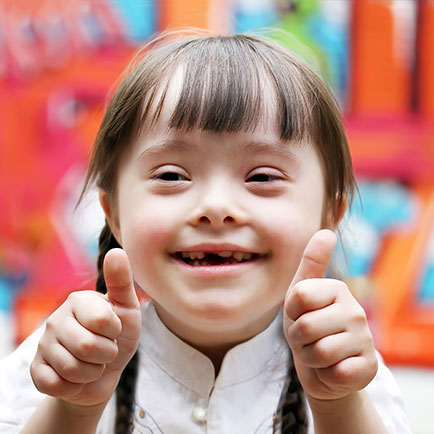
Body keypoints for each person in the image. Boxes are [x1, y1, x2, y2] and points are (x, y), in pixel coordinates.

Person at [0, 31, 411, 434]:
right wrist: (72, 409)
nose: (216, 207)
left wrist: (337, 406)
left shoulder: (354, 374)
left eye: (263, 176)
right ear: (115, 215)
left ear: (329, 213)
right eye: (172, 174)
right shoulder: (59, 359)